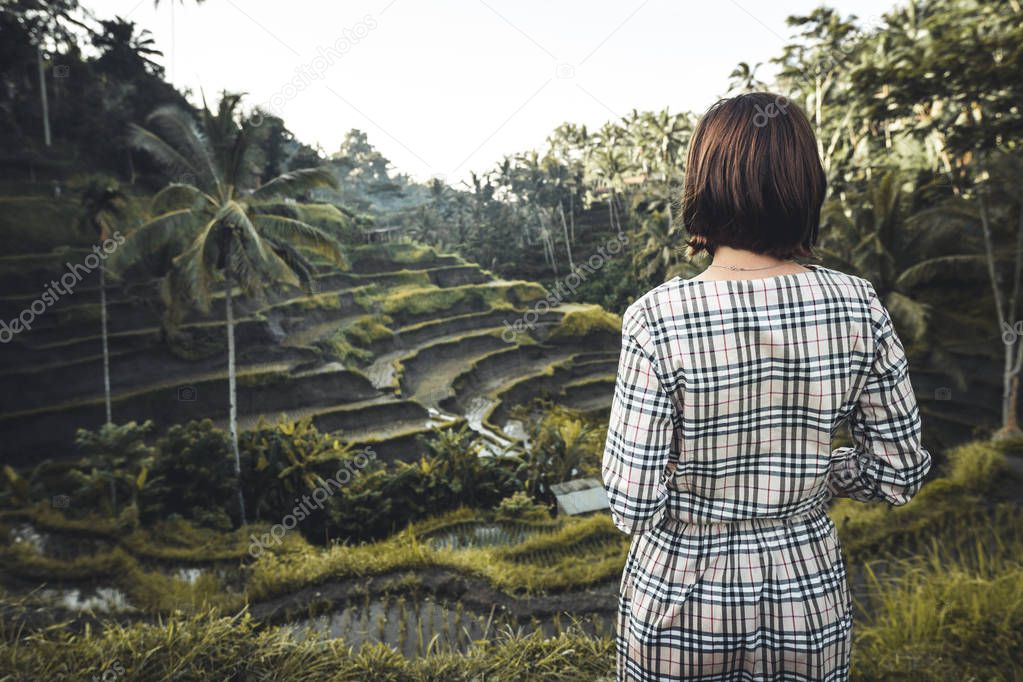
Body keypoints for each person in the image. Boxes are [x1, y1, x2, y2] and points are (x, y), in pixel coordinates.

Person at [601, 92, 932, 680]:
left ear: (705, 183)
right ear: (806, 184)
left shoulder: (657, 317)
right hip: (806, 594)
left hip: (681, 597)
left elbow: (633, 502)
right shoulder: (856, 305)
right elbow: (898, 472)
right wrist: (811, 474)